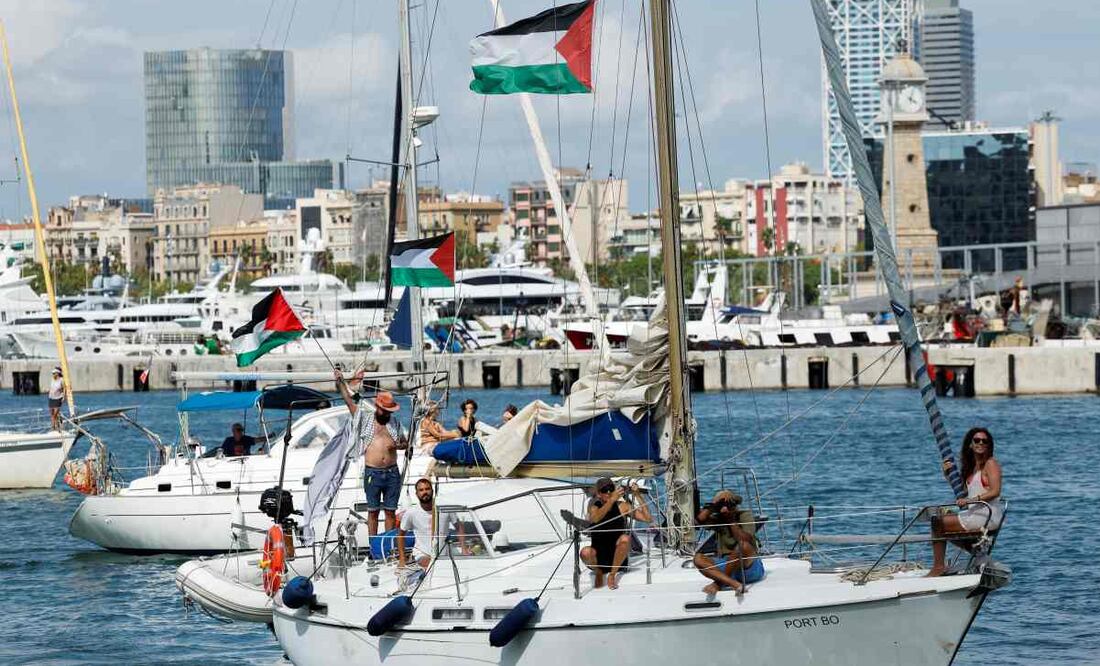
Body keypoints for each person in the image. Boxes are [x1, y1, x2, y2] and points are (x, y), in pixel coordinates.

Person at [335, 369, 408, 537]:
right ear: (377, 407)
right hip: (372, 472)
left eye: (390, 411)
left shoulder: (394, 423)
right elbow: (349, 402)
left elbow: (405, 443)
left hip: (392, 472)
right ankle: (374, 546)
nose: (388, 413)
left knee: (390, 511)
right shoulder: (365, 419)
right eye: (385, 410)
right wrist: (340, 382)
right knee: (373, 512)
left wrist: (399, 446)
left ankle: (388, 546)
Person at [928, 427, 1003, 577]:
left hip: (986, 515)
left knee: (937, 523)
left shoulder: (991, 463)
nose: (981, 443)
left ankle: (938, 567)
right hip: (976, 513)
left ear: (989, 445)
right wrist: (947, 475)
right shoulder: (973, 468)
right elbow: (963, 493)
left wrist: (970, 500)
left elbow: (995, 491)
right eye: (977, 440)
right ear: (970, 444)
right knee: (944, 520)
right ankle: (979, 555)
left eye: (985, 441)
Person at [579, 477, 652, 590]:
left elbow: (648, 519)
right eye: (604, 490)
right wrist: (612, 500)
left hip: (618, 558)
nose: (608, 492)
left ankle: (612, 575)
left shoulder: (623, 506)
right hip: (599, 557)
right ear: (598, 494)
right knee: (585, 552)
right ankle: (598, 571)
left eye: (610, 488)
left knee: (625, 539)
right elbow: (596, 519)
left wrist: (637, 495)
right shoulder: (594, 507)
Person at [693, 490, 764, 595]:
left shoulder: (745, 515)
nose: (725, 507)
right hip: (727, 564)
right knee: (698, 558)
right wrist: (714, 505)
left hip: (748, 565)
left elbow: (744, 539)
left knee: (743, 546)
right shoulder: (718, 519)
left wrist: (731, 520)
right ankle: (733, 584)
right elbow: (698, 522)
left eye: (729, 504)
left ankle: (718, 584)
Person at [398, 478, 465, 570]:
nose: (425, 492)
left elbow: (459, 527)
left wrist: (464, 548)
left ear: (432, 491)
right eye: (421, 490)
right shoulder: (411, 513)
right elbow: (401, 535)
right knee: (433, 565)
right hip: (422, 554)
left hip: (445, 553)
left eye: (427, 489)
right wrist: (402, 559)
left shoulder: (445, 508)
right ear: (417, 494)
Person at [47, 367, 64, 431]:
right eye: (52, 373)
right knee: (52, 414)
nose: (53, 374)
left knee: (55, 414)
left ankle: (55, 427)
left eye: (54, 373)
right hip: (51, 398)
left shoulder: (61, 380)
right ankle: (54, 427)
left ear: (58, 373)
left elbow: (64, 389)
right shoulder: (52, 379)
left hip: (58, 398)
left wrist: (63, 397)